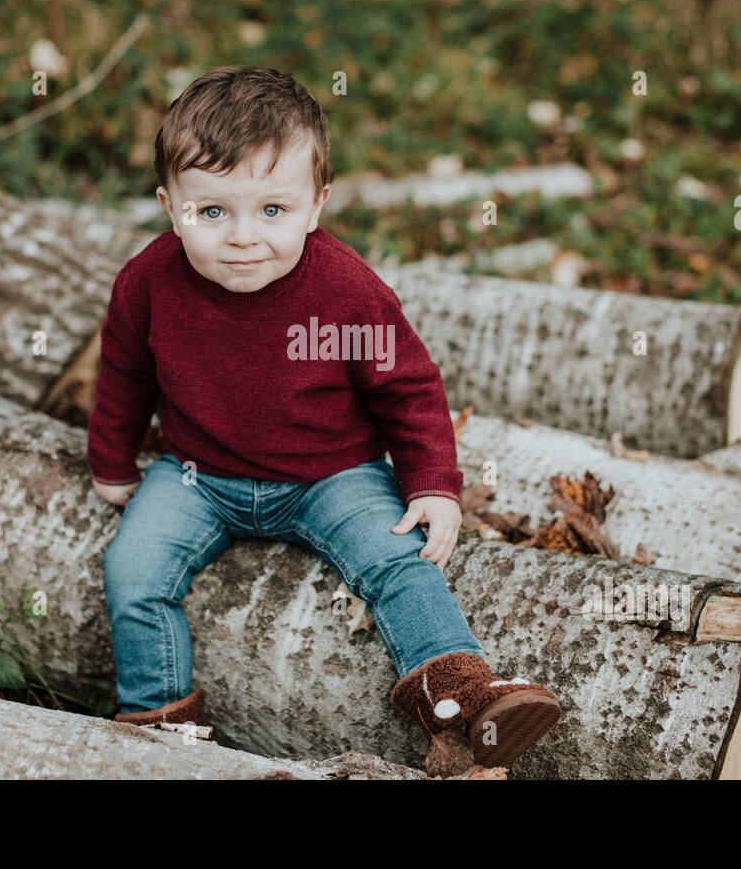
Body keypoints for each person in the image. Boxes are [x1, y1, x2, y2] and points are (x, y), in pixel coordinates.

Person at [87, 65, 560, 767]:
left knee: (400, 558)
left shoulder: (344, 289)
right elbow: (124, 375)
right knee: (131, 568)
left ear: (316, 205)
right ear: (169, 205)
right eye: (211, 212)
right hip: (196, 475)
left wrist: (432, 481)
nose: (243, 236)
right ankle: (160, 726)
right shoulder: (148, 284)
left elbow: (408, 386)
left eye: (272, 211)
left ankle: (464, 693)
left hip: (331, 473)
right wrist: (112, 461)